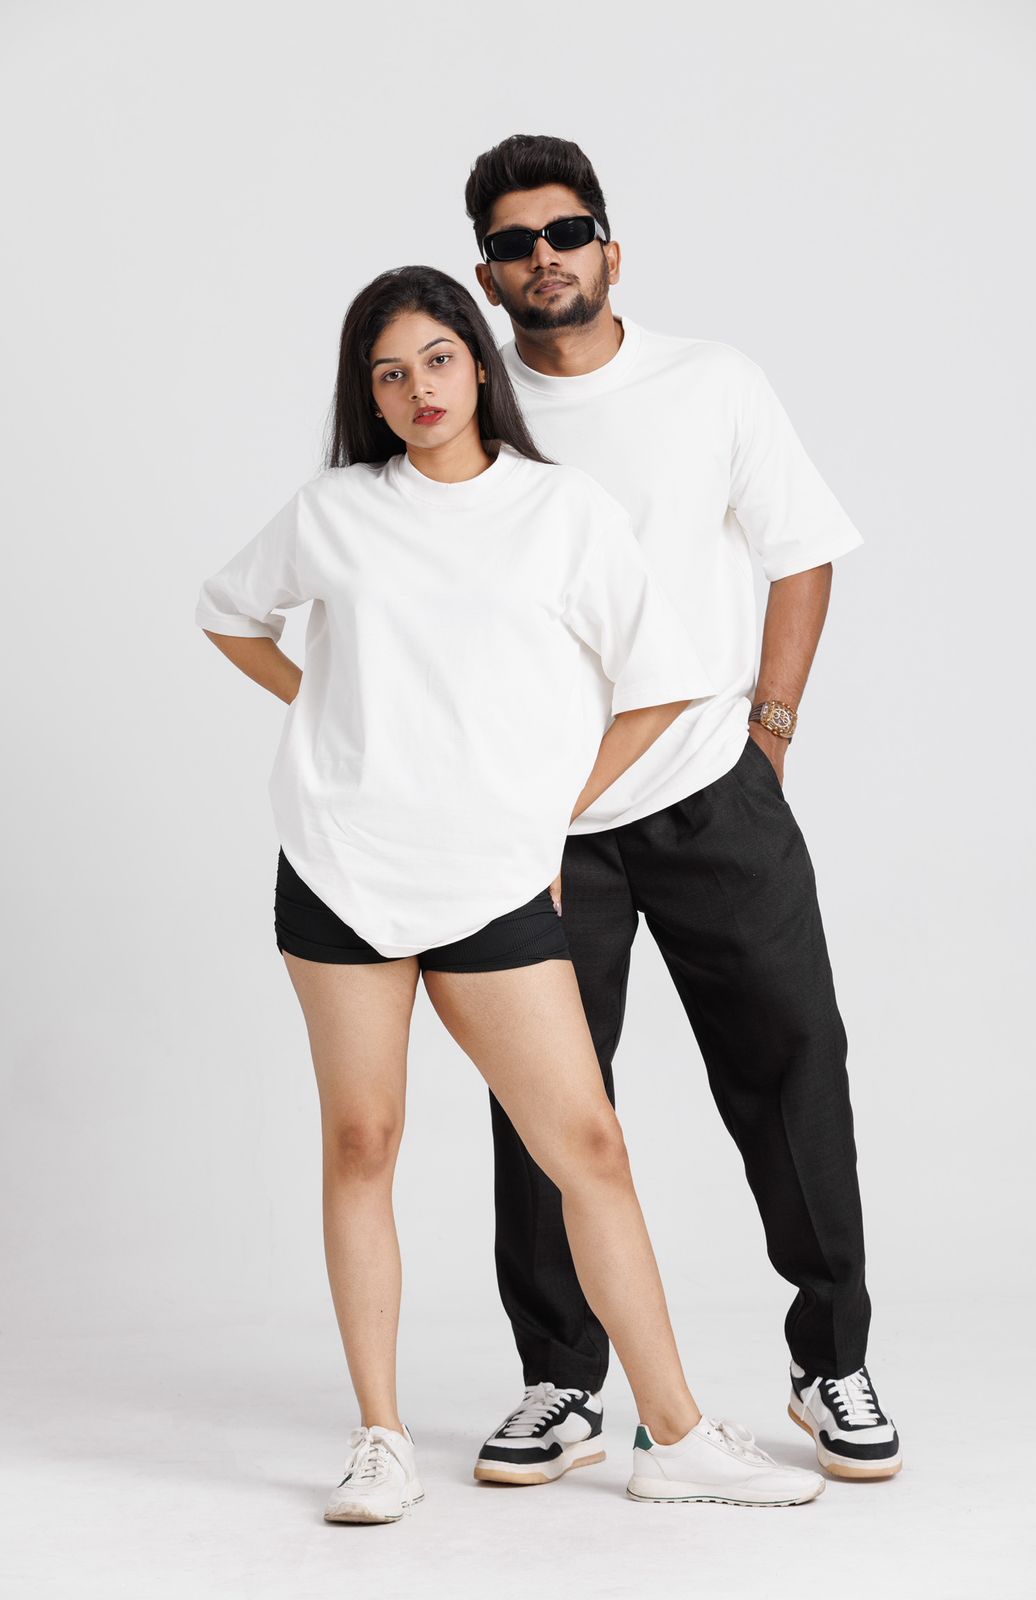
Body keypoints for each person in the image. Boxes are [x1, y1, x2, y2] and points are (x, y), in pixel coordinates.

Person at [194, 265, 826, 1523]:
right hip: (341, 865)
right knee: (362, 1139)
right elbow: (227, 614)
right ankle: (379, 1440)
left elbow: (662, 679)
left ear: (478, 366)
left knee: (586, 1145)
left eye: (436, 359)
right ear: (368, 397)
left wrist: (547, 810)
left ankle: (676, 1434)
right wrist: (328, 714)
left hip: (490, 875)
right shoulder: (334, 510)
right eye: (388, 374)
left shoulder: (560, 509)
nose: (416, 389)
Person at [463, 134, 902, 1484]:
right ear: (486, 275)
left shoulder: (709, 382)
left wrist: (768, 733)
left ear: (609, 247)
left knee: (792, 1066)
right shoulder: (473, 414)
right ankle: (559, 1379)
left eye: (566, 231)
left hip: (715, 795)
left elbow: (801, 551)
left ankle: (830, 1361)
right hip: (543, 822)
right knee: (544, 1103)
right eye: (515, 243)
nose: (545, 257)